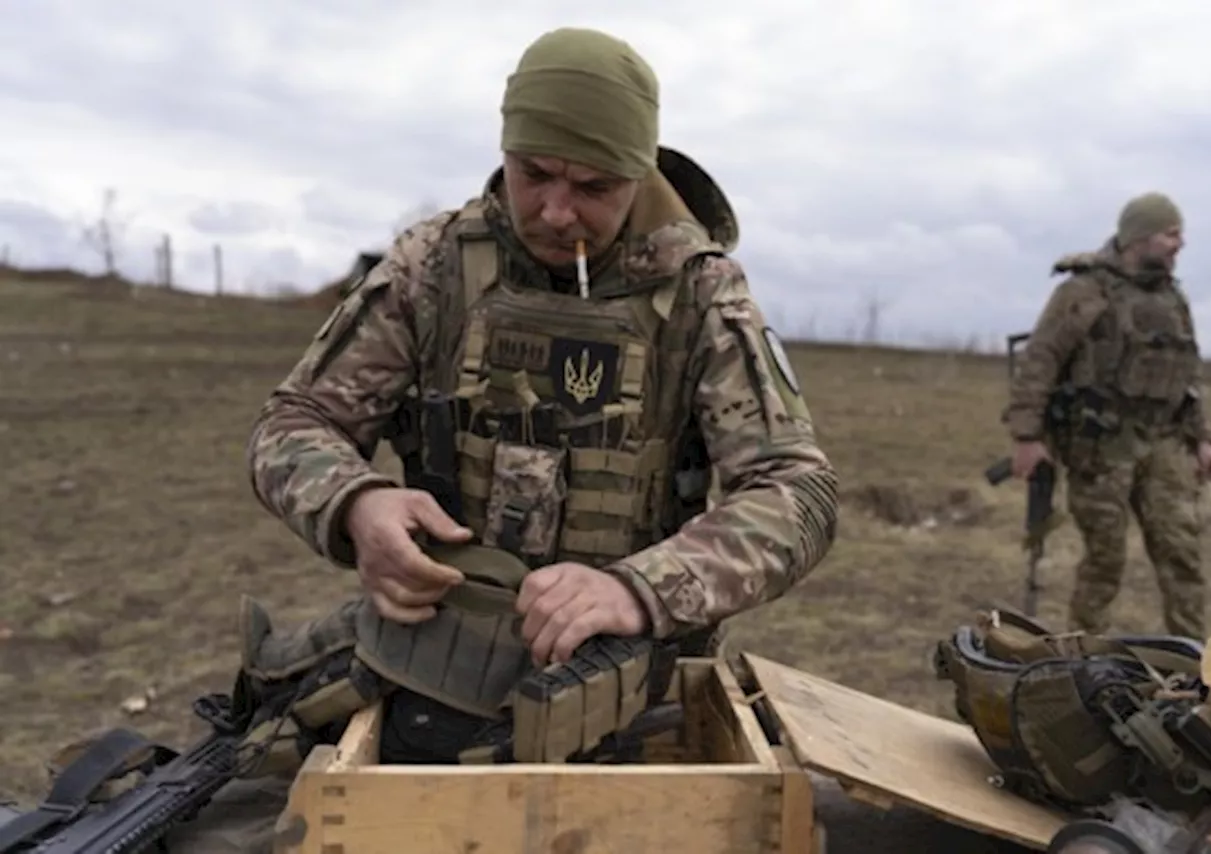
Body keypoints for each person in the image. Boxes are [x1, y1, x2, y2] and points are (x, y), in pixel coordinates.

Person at [156, 25, 839, 853]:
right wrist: (356, 504)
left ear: (639, 172)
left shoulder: (696, 295)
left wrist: (644, 587)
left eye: (594, 185)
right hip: (427, 677)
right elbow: (293, 424)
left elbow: (795, 491)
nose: (557, 212)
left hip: (625, 694)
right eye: (535, 174)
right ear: (505, 149)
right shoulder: (435, 267)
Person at [1003, 191, 1211, 641]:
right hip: (1100, 447)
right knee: (1105, 559)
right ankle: (1085, 657)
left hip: (1163, 441)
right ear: (1138, 237)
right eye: (1171, 234)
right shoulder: (1084, 290)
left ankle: (1197, 659)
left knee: (1182, 554)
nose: (1180, 244)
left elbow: (1187, 372)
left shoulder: (1172, 298)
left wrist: (1203, 439)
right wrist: (1027, 437)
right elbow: (1040, 361)